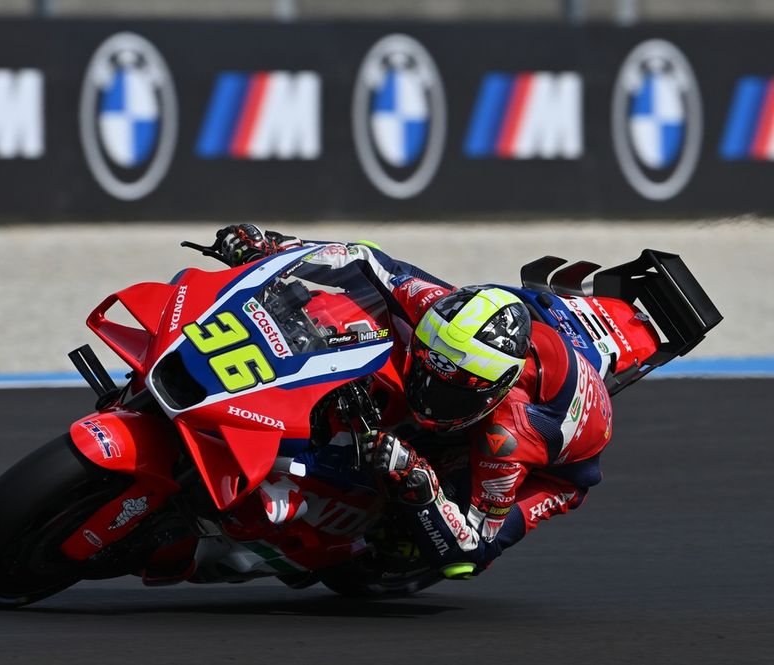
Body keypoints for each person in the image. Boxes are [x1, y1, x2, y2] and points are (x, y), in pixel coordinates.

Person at [215, 224, 613, 579]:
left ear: (494, 392)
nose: (428, 395)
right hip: (526, 351)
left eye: (449, 392)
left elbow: (473, 549)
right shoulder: (436, 311)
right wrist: (276, 248)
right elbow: (366, 259)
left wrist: (420, 481)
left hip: (559, 469)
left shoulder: (505, 439)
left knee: (451, 544)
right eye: (426, 370)